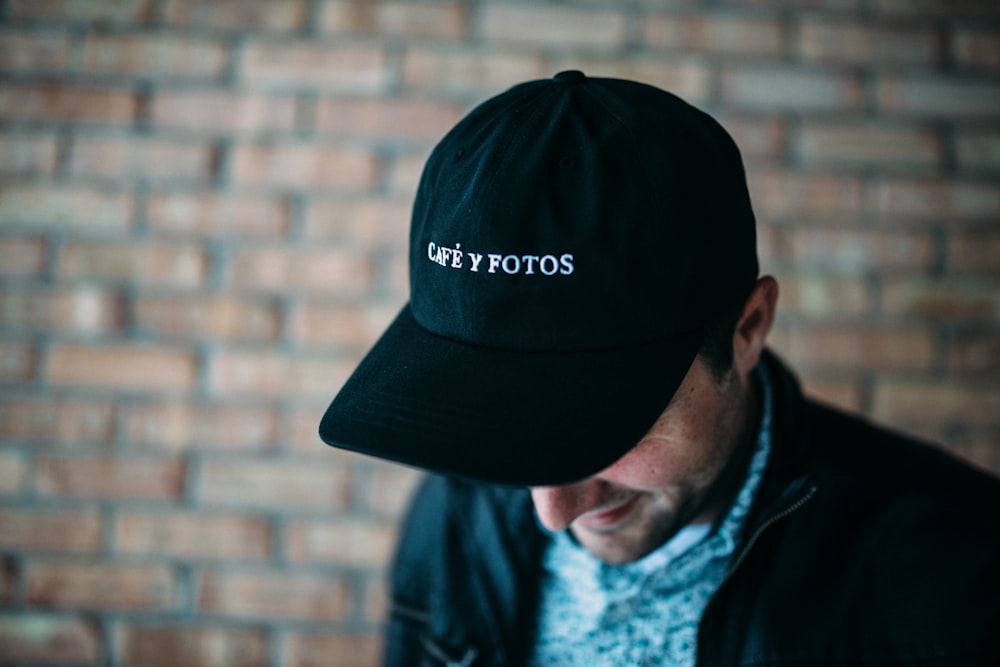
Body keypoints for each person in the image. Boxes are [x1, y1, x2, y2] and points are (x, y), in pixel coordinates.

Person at [319, 71, 1000, 666]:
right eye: (495, 421)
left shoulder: (959, 573)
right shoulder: (458, 509)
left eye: (601, 427)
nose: (550, 511)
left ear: (748, 328)